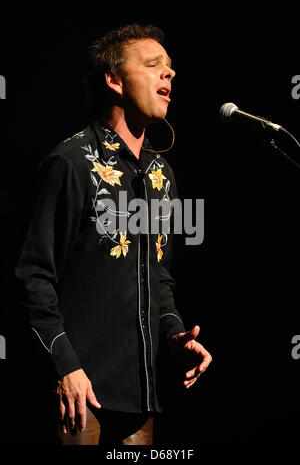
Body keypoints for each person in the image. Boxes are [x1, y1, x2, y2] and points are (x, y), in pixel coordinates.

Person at [14, 23, 212, 445]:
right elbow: (32, 276)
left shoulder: (161, 175)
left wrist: (176, 336)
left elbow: (158, 277)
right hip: (79, 394)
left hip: (141, 398)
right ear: (114, 79)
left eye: (171, 67)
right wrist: (65, 367)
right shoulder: (71, 163)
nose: (169, 74)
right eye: (154, 64)